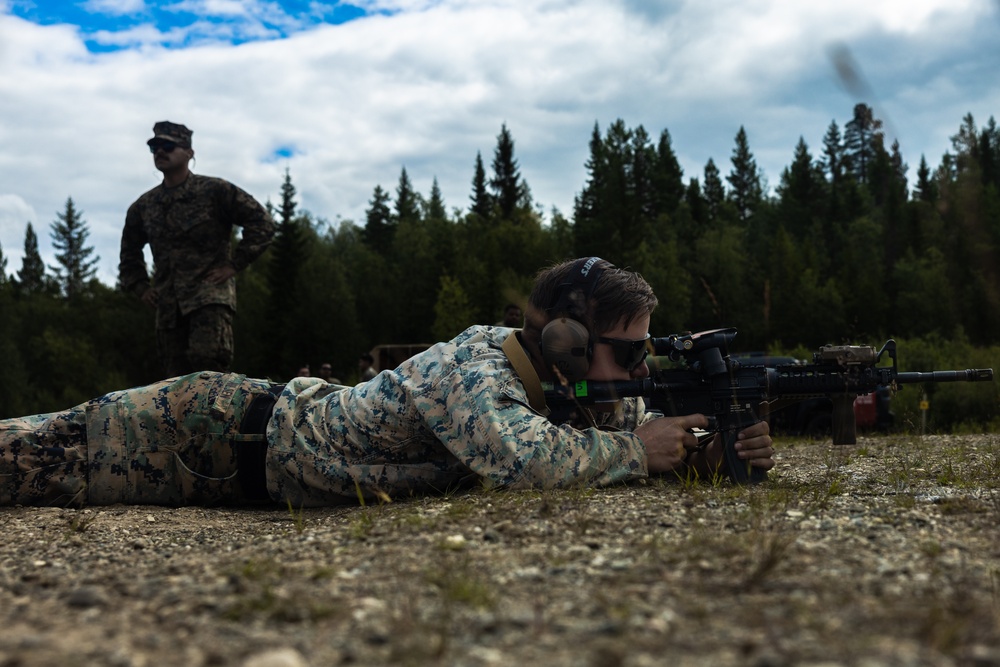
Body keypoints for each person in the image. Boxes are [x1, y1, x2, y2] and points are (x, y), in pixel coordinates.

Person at [0, 257, 773, 508]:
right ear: (567, 341)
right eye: (627, 355)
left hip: (235, 456)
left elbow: (622, 427)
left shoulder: (566, 384)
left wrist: (710, 446)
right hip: (203, 429)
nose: (638, 375)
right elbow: (524, 459)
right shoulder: (473, 372)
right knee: (22, 458)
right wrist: (642, 452)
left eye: (645, 357)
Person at [119, 121, 276, 378]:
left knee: (210, 380)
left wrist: (233, 265)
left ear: (189, 153)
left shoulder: (214, 191)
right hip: (168, 310)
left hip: (208, 301)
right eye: (155, 147)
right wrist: (141, 288)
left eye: (168, 146)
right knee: (173, 389)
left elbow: (263, 223)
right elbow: (129, 253)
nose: (160, 151)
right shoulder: (144, 206)